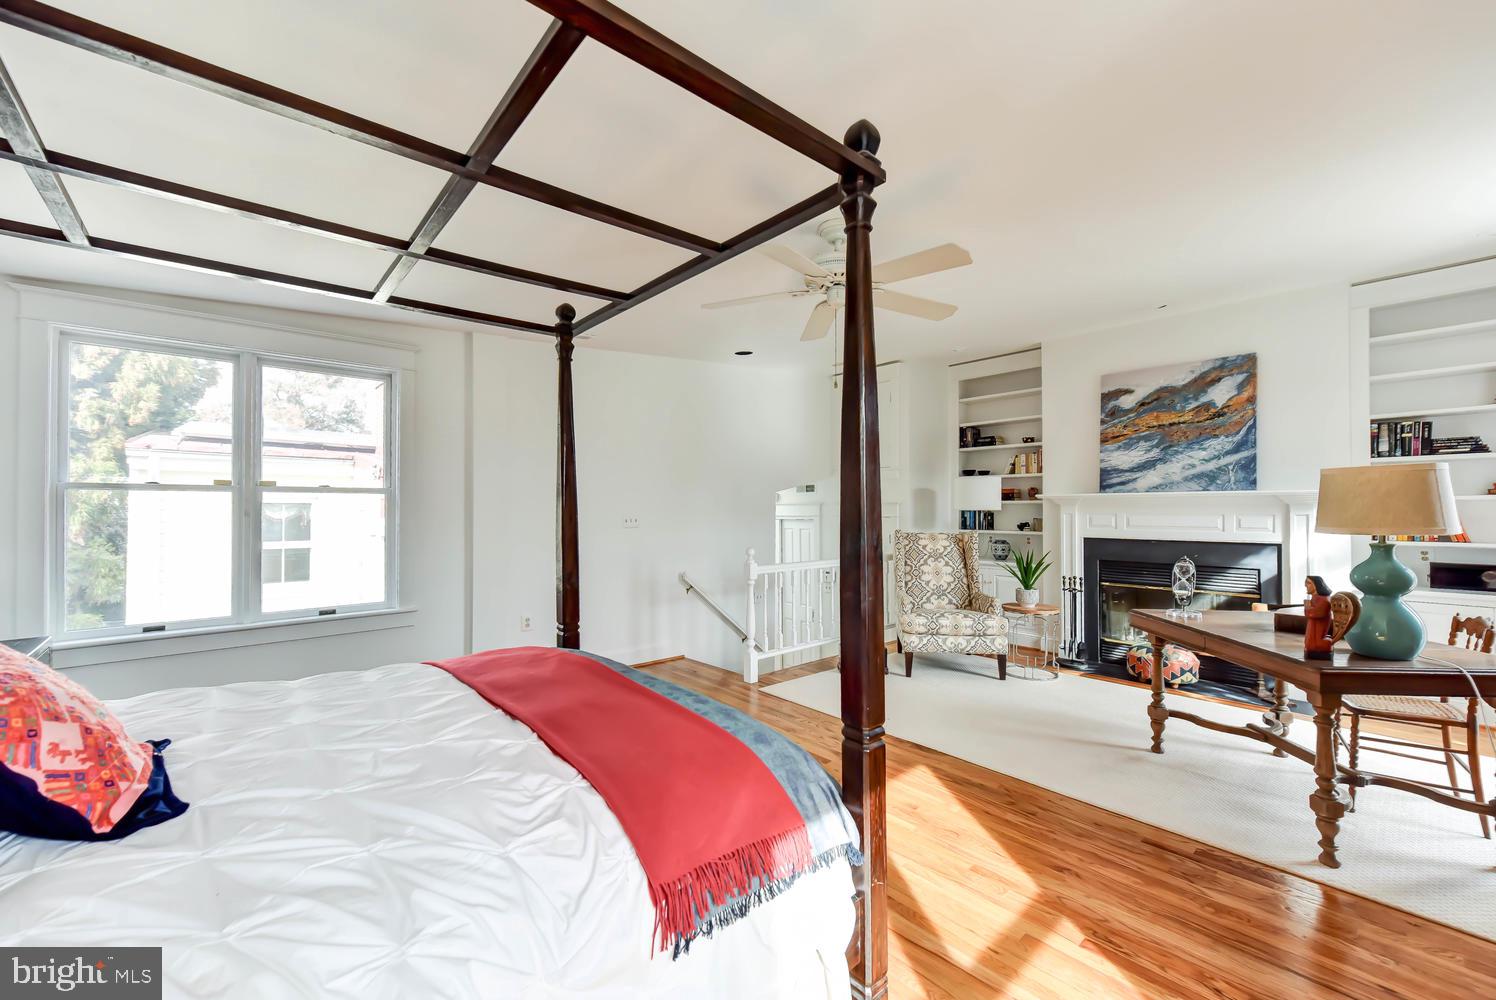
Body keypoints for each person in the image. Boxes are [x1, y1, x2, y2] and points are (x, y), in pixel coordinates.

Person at [1304, 574, 1334, 660]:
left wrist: (1307, 607)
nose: (1305, 585)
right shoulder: (1316, 598)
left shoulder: (1324, 600)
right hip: (1313, 626)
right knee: (1309, 643)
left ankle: (1324, 644)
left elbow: (1316, 613)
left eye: (1308, 583)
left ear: (1316, 585)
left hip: (1317, 628)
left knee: (1312, 644)